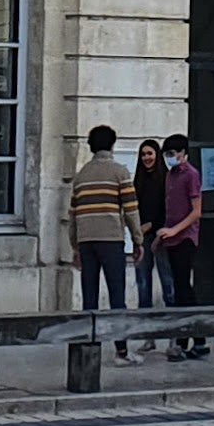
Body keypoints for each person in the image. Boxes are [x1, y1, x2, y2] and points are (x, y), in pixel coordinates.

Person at [66, 123, 135, 348]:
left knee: (89, 297)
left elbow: (73, 214)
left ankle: (89, 348)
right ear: (112, 145)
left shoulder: (81, 176)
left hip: (86, 241)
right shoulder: (120, 172)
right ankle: (121, 350)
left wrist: (75, 246)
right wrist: (138, 240)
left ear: (91, 147)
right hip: (111, 239)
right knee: (117, 296)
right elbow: (131, 210)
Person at [158, 133, 207, 357]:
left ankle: (185, 340)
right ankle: (197, 338)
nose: (169, 157)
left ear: (183, 153)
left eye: (172, 153)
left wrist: (175, 230)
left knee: (183, 289)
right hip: (170, 237)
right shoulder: (170, 175)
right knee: (182, 288)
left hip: (185, 237)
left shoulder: (191, 175)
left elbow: (196, 211)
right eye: (166, 154)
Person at [130, 138, 170, 337]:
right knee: (143, 284)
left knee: (167, 283)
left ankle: (174, 335)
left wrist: (152, 225)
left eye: (150, 153)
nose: (147, 158)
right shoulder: (138, 180)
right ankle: (147, 335)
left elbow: (168, 208)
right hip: (142, 236)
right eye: (143, 154)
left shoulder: (166, 178)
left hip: (162, 235)